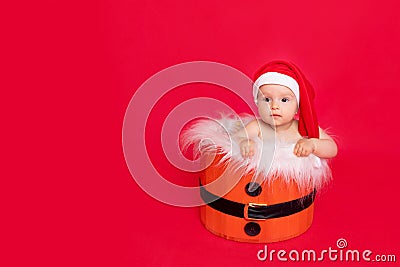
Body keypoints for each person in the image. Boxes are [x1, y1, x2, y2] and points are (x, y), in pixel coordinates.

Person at [234, 60, 337, 160]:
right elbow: (233, 139)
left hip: (295, 177)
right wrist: (244, 142)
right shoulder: (257, 126)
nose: (274, 106)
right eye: (267, 99)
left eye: (284, 100)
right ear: (257, 103)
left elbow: (332, 148)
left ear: (297, 107)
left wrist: (313, 144)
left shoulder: (303, 128)